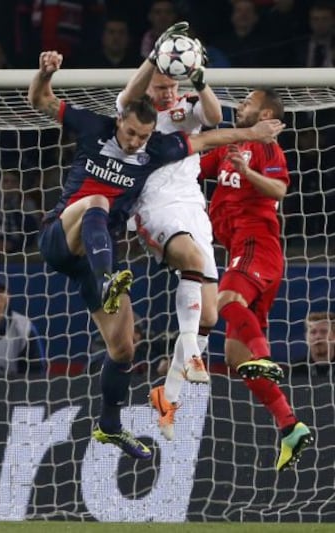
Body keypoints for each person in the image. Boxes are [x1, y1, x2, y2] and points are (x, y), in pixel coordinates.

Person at [27, 40, 283, 460]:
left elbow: (209, 138)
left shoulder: (156, 150)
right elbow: (40, 99)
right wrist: (46, 72)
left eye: (143, 136)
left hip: (95, 257)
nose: (134, 142)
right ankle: (110, 278)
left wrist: (253, 134)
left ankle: (109, 426)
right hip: (63, 235)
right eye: (129, 133)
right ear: (119, 120)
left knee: (123, 348)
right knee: (97, 203)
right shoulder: (94, 127)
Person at [197, 88, 312, 471]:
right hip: (239, 250)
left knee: (225, 299)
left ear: (264, 113)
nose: (239, 106)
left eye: (246, 102)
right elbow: (193, 166)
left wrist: (247, 172)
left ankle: (264, 357)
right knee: (234, 355)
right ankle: (289, 424)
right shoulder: (230, 144)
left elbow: (279, 189)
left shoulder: (266, 150)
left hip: (256, 244)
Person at [117, 29, 223, 441]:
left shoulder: (189, 105)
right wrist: (152, 57)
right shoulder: (136, 111)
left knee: (210, 317)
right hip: (154, 206)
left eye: (169, 86)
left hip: (194, 207)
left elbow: (215, 117)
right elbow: (128, 96)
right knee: (192, 262)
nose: (163, 94)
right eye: (159, 85)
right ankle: (192, 356)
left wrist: (198, 78)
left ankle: (168, 395)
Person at [0, 271, 44, 377]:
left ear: (8, 296)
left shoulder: (24, 328)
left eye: (0, 292)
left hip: (14, 391)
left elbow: (36, 371)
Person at [303, 311, 335, 377]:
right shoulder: (293, 371)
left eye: (324, 331)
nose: (318, 337)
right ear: (306, 337)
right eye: (313, 332)